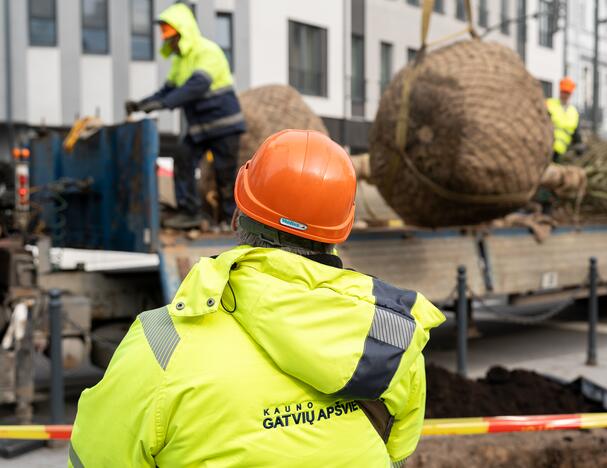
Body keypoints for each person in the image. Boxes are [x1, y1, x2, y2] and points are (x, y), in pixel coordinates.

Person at [69, 130, 445, 467]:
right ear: (341, 231)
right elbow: (396, 452)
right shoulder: (392, 337)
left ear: (237, 215)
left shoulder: (160, 345)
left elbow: (95, 458)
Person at [126, 3, 245, 230]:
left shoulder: (207, 51)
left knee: (225, 174)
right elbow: (168, 89)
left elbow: (197, 86)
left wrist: (163, 103)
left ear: (182, 33)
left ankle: (232, 222)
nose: (167, 41)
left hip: (224, 125)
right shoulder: (180, 61)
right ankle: (189, 212)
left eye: (170, 36)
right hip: (200, 127)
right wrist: (142, 104)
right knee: (183, 157)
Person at [546, 77, 582, 161]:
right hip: (547, 149)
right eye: (563, 92)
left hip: (562, 153)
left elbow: (575, 133)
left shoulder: (574, 112)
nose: (565, 95)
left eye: (567, 93)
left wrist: (579, 144)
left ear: (570, 94)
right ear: (560, 91)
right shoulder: (549, 104)